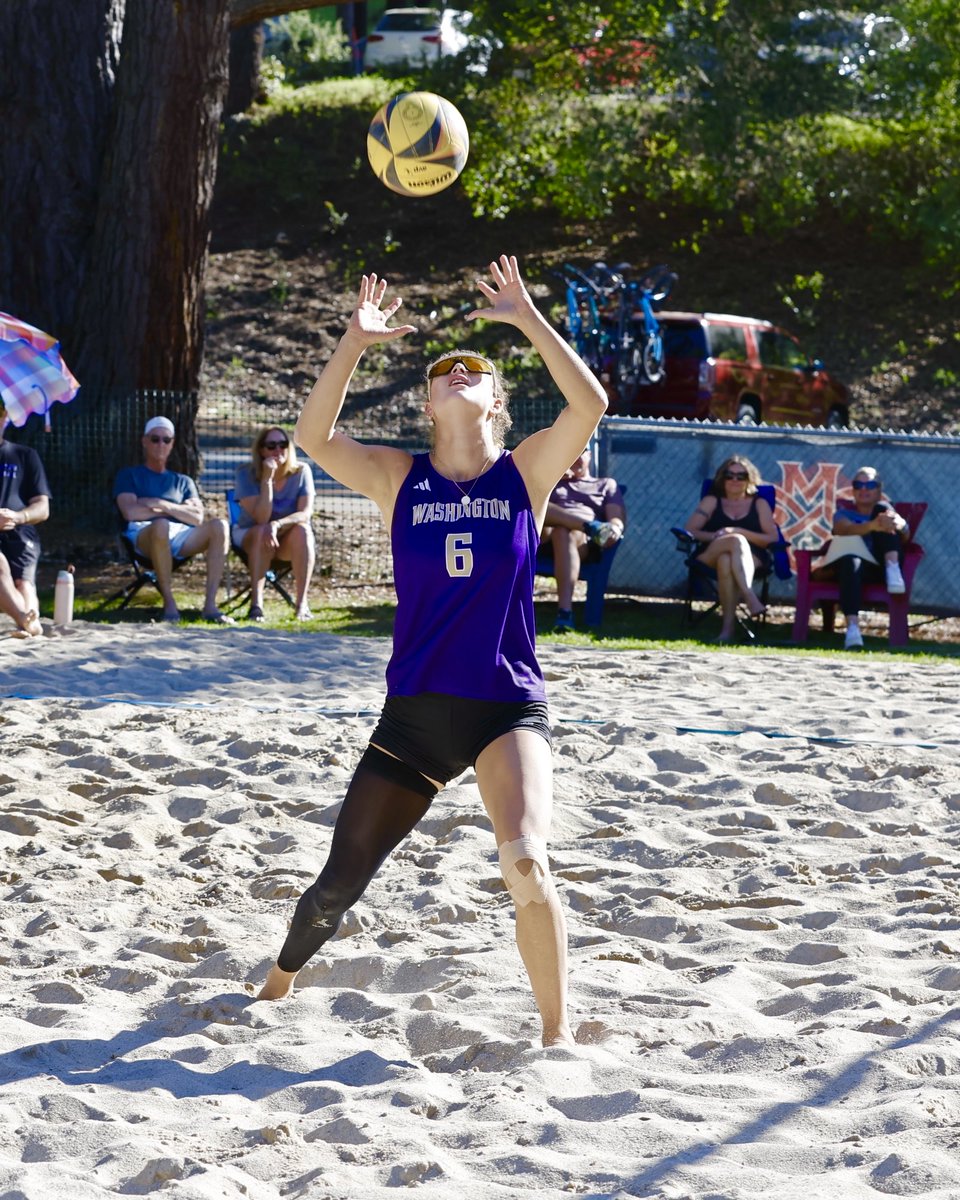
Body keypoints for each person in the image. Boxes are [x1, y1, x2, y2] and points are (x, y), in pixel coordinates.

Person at [256, 254, 608, 1047]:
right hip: (413, 715)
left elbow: (589, 402)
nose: (456, 373)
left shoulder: (525, 474)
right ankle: (276, 983)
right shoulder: (398, 477)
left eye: (471, 369)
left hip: (504, 706)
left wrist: (525, 318)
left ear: (494, 405)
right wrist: (353, 340)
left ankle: (556, 1036)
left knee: (526, 861)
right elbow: (314, 435)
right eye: (444, 371)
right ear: (427, 404)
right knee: (337, 886)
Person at [113, 416, 234, 624]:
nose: (161, 444)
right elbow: (131, 513)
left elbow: (197, 517)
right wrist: (176, 511)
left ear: (172, 443)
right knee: (161, 525)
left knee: (220, 526)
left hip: (180, 535)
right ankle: (169, 604)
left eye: (166, 440)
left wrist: (162, 504)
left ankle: (210, 606)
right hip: (144, 535)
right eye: (155, 439)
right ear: (144, 441)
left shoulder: (183, 481)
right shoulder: (129, 475)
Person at [683, 454, 778, 642]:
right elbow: (690, 530)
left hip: (752, 556)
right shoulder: (711, 501)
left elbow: (771, 538)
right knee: (733, 541)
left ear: (749, 479)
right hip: (710, 551)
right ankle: (749, 596)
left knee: (727, 559)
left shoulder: (760, 503)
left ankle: (727, 631)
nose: (735, 480)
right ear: (722, 478)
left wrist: (737, 530)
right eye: (729, 475)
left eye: (740, 476)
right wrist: (718, 535)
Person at [818, 465, 910, 650]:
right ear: (853, 490)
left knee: (882, 510)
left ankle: (892, 568)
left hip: (880, 570)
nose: (863, 489)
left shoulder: (887, 512)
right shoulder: (844, 513)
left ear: (879, 489)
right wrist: (872, 526)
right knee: (850, 560)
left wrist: (899, 524)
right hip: (853, 569)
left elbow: (905, 536)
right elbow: (843, 529)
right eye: (858, 485)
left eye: (870, 485)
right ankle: (852, 627)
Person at [231, 425, 316, 621]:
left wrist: (277, 525)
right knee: (262, 530)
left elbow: (305, 513)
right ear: (261, 450)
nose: (278, 450)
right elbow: (261, 518)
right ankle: (256, 605)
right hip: (250, 534)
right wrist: (267, 480)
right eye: (271, 446)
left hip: (283, 536)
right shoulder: (245, 473)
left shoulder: (302, 471)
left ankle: (302, 604)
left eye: (283, 444)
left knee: (303, 532)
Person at [538, 448, 626, 631]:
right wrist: (552, 479)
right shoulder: (551, 482)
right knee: (541, 505)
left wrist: (615, 528)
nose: (575, 458)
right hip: (543, 539)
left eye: (581, 452)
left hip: (581, 542)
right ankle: (588, 525)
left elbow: (616, 518)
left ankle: (565, 612)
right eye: (571, 453)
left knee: (563, 532)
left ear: (590, 456)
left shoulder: (605, 484)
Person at [0, 402, 49, 638]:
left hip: (20, 531)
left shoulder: (25, 455)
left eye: (1, 410)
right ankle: (25, 619)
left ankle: (30, 621)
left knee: (24, 583)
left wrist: (19, 517)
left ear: (7, 416)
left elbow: (43, 508)